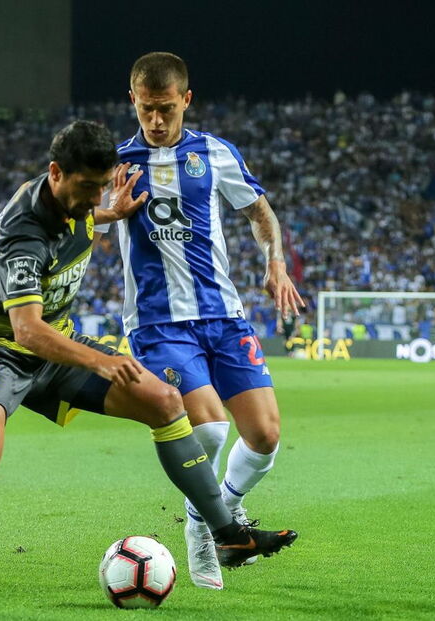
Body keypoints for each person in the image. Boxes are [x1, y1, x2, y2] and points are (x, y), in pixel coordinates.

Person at [0, 121, 297, 608]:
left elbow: (87, 226)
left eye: (99, 187)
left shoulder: (83, 201)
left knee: (165, 401)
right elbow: (26, 330)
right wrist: (101, 364)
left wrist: (114, 208)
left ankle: (227, 533)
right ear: (55, 173)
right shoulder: (25, 229)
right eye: (86, 188)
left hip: (56, 345)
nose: (93, 200)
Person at [109, 52, 304, 590]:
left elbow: (259, 212)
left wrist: (275, 263)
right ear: (133, 101)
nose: (155, 120)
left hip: (223, 315)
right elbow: (78, 222)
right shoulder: (116, 163)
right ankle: (204, 531)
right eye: (146, 109)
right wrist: (107, 214)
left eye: (165, 108)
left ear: (186, 100)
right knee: (212, 429)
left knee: (264, 435)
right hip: (158, 324)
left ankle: (216, 513)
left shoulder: (215, 153)